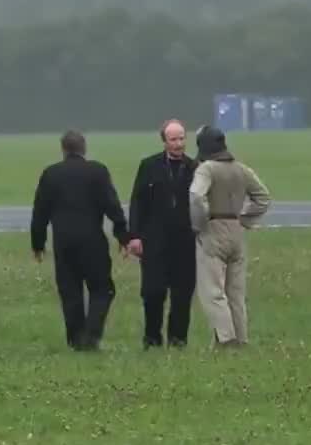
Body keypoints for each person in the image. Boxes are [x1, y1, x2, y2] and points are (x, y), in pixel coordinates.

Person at [30, 130, 131, 351]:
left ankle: (76, 340)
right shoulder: (97, 171)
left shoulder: (51, 174)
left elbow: (40, 212)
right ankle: (91, 335)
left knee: (70, 291)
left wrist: (38, 244)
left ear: (63, 149)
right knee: (102, 288)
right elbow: (111, 205)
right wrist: (123, 236)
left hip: (63, 242)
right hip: (92, 239)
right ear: (83, 148)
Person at [188, 125, 271, 347]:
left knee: (213, 291)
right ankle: (241, 339)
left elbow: (196, 196)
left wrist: (199, 223)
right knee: (235, 293)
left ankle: (226, 339)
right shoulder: (241, 169)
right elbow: (263, 198)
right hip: (236, 231)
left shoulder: (207, 169)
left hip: (213, 230)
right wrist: (244, 220)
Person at [126, 119, 198, 349]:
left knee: (182, 294)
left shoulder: (195, 167)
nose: (178, 144)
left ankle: (178, 340)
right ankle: (152, 339)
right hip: (154, 241)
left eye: (181, 138)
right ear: (164, 141)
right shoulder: (149, 166)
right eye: (173, 139)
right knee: (153, 292)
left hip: (185, 242)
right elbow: (137, 202)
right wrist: (134, 236)